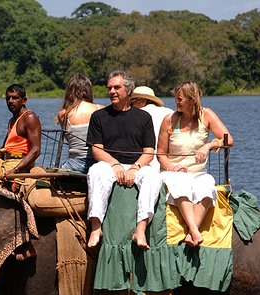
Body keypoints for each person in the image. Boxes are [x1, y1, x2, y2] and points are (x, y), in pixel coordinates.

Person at [86, 71, 160, 249]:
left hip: (137, 165)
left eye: (116, 87)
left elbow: (149, 152)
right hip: (109, 164)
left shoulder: (143, 117)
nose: (112, 91)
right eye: (109, 88)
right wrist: (115, 164)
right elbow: (96, 150)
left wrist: (135, 168)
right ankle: (96, 227)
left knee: (153, 177)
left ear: (128, 91)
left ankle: (140, 230)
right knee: (95, 172)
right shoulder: (99, 116)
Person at [157, 81, 233, 247]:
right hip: (173, 172)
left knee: (208, 185)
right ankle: (194, 230)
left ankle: (192, 234)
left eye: (180, 99)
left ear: (192, 100)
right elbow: (161, 154)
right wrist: (173, 167)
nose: (176, 102)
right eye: (176, 99)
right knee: (181, 184)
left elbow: (228, 139)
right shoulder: (169, 120)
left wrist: (209, 145)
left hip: (198, 172)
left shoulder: (206, 115)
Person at [0, 84, 41, 191]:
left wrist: (15, 170)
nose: (10, 101)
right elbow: (3, 150)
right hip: (4, 167)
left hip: (18, 167)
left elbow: (36, 150)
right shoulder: (12, 120)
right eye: (8, 98)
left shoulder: (29, 117)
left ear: (24, 100)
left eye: (15, 98)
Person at [56, 74, 104, 174]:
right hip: (98, 162)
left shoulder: (63, 114)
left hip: (74, 163)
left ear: (69, 92)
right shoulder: (102, 109)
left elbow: (70, 140)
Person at [130, 85, 174, 164]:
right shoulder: (170, 112)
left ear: (143, 101)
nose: (130, 106)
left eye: (132, 102)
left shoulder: (134, 115)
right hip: (168, 163)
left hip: (143, 163)